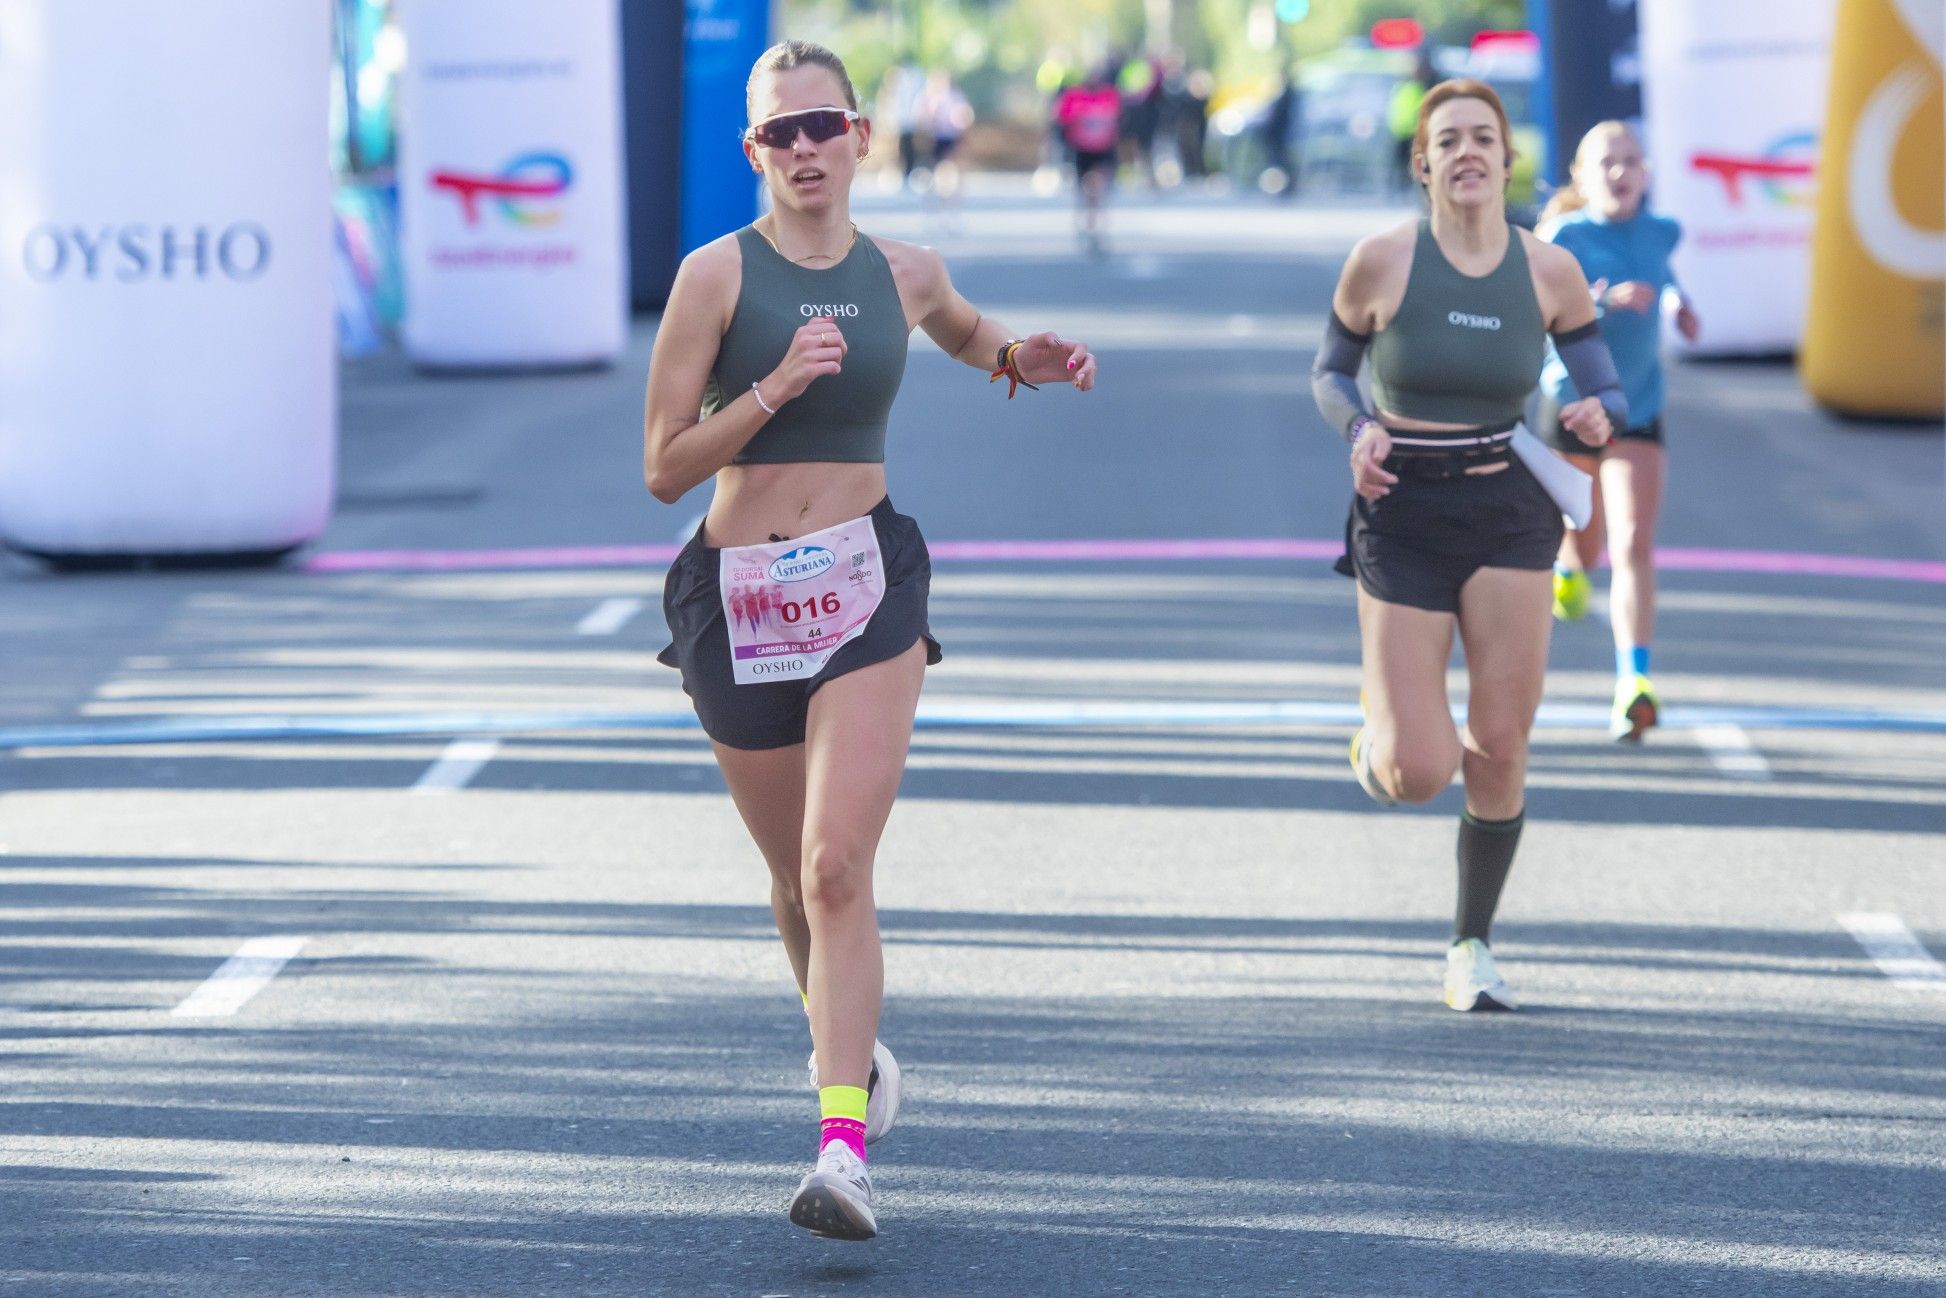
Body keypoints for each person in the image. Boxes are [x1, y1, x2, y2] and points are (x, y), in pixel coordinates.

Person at [642, 40, 1097, 1242]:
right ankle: (849, 1054)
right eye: (776, 133)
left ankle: (839, 1147)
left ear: (859, 137)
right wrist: (773, 389)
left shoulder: (903, 269)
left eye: (820, 125)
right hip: (733, 597)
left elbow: (960, 327)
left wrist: (1019, 356)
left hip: (863, 582)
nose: (801, 148)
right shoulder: (712, 279)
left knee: (838, 862)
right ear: (752, 151)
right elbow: (661, 467)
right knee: (794, 876)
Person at [1310, 80, 1627, 1013]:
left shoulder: (1548, 270)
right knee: (1419, 772)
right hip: (1402, 512)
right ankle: (1378, 744)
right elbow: (1332, 369)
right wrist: (1360, 428)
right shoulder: (1381, 262)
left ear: (1505, 157)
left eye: (1482, 137)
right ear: (1424, 162)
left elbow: (1606, 388)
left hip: (1509, 510)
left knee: (1500, 745)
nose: (1467, 152)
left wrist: (1594, 413)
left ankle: (1471, 944)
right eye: (1447, 140)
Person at [1536, 121, 1702, 742]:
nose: (1620, 172)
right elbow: (1543, 311)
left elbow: (1667, 279)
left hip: (1638, 406)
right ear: (1581, 176)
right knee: (1585, 541)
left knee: (1633, 541)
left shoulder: (1662, 231)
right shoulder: (1563, 237)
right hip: (1573, 403)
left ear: (1646, 172)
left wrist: (1678, 307)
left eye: (1631, 160)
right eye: (1606, 162)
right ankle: (1569, 571)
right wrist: (1603, 301)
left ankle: (1635, 681)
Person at [1056, 63, 1122, 253]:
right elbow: (1062, 120)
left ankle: (1097, 226)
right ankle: (1086, 223)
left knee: (1098, 187)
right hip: (1082, 149)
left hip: (1103, 149)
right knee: (1085, 191)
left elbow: (1117, 120)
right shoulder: (1074, 96)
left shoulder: (1109, 96)